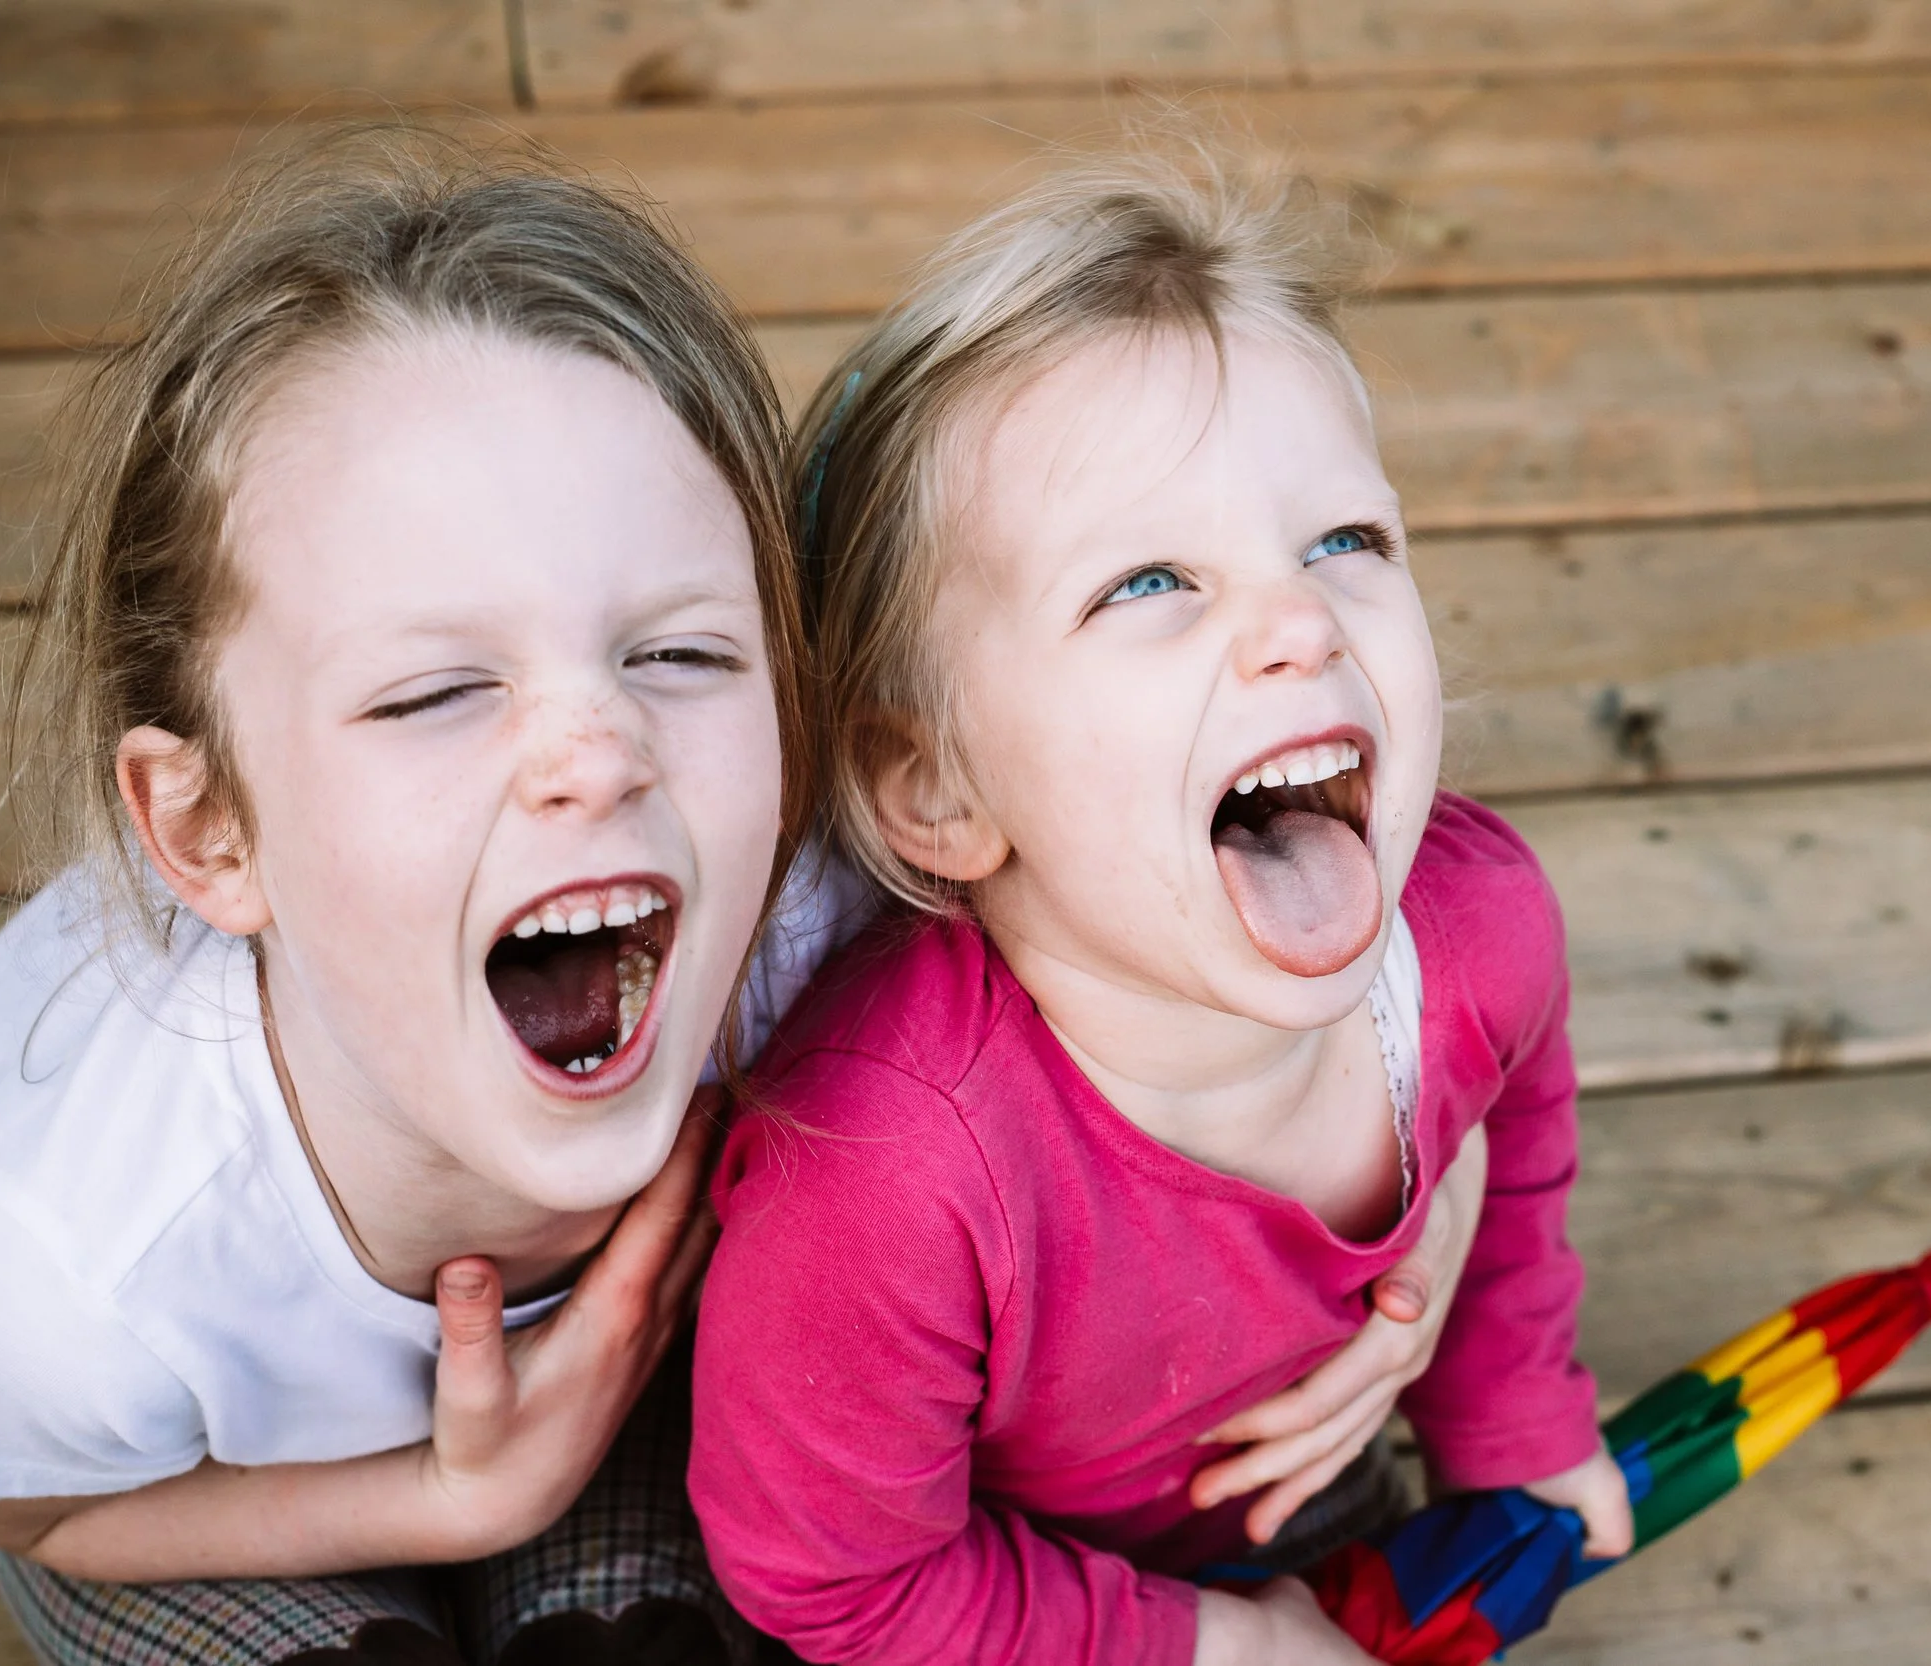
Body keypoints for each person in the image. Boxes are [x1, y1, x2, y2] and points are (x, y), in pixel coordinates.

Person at [0, 127, 1485, 1666]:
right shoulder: (57, 1257)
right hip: (205, 1491)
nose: (599, 750)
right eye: (434, 690)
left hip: (655, 1387)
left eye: (680, 653)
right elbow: (38, 1500)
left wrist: (1418, 1266)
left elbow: (1309, 914)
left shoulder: (815, 888)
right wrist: (455, 1495)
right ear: (212, 828)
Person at [688, 156, 1634, 1666]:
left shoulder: (1483, 925)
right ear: (934, 786)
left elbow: (1512, 1149)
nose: (1300, 621)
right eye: (1148, 582)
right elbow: (838, 1583)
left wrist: (1510, 1420)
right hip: (947, 1582)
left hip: (1288, 1496)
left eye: (1345, 542)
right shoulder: (883, 1179)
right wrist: (1220, 1648)